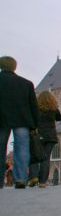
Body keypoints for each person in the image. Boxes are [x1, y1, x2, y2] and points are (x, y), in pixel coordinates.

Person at [0, 56, 40, 189]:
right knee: (22, 149)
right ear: (14, 67)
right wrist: (35, 125)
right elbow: (33, 106)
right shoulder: (26, 83)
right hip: (22, 120)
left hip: (2, 120)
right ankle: (21, 179)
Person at [27, 91, 61, 188]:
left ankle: (34, 177)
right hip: (51, 137)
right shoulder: (53, 109)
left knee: (34, 156)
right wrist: (55, 109)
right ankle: (42, 181)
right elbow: (60, 118)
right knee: (46, 158)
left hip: (39, 136)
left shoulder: (36, 109)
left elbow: (31, 120)